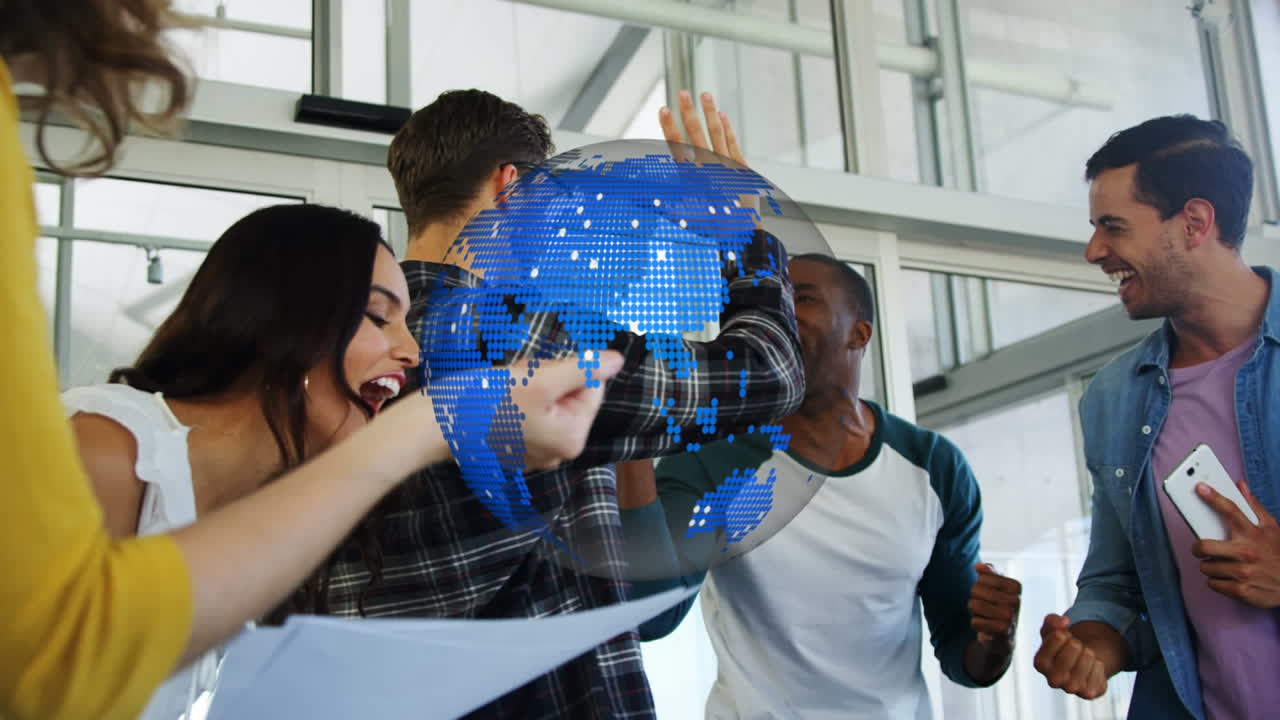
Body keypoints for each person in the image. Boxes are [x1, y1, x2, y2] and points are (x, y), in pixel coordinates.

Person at [0, 4, 616, 720]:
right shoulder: (110, 451)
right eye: (378, 314)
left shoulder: (254, 523)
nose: (411, 351)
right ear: (288, 325)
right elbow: (53, 664)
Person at [308, 89, 805, 717]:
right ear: (510, 188)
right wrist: (743, 232)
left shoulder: (335, 352)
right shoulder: (527, 341)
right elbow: (771, 373)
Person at [619, 254, 1024, 718]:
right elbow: (649, 616)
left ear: (858, 333)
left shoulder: (933, 467)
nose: (775, 319)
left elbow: (962, 647)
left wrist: (996, 640)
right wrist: (632, 444)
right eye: (766, 306)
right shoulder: (713, 462)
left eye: (800, 299)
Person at [1032, 115, 1280, 720]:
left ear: (1195, 222)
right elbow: (1120, 584)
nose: (1094, 252)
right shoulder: (1115, 397)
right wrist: (1093, 643)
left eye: (1113, 227)